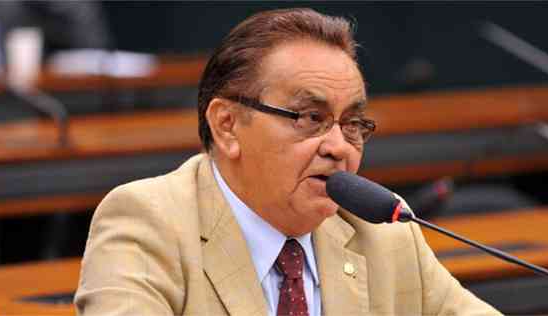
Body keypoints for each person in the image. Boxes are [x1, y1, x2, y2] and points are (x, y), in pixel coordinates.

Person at [75, 8, 501, 315]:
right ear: (227, 126)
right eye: (311, 118)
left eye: (352, 123)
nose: (339, 146)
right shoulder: (146, 223)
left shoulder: (380, 229)